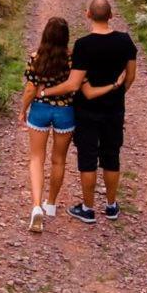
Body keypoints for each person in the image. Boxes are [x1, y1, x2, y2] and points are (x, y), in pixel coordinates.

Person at [18, 17, 125, 233]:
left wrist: (23, 110)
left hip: (39, 110)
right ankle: (51, 204)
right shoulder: (72, 60)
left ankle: (36, 206)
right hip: (66, 112)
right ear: (66, 37)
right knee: (58, 161)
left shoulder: (36, 58)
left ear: (45, 35)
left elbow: (31, 89)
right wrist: (115, 84)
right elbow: (82, 87)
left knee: (37, 158)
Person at [43, 0, 137, 224]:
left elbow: (74, 84)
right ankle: (112, 206)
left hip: (86, 112)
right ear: (111, 15)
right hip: (114, 110)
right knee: (111, 156)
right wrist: (116, 93)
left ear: (88, 15)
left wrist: (45, 92)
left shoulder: (83, 45)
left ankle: (88, 208)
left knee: (88, 158)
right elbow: (131, 76)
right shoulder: (125, 41)